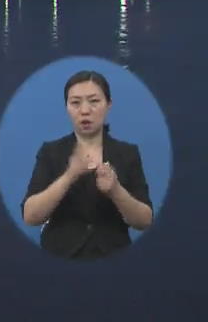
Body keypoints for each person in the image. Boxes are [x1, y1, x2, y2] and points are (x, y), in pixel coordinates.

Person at [22, 70, 154, 259]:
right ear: (66, 107)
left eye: (94, 101)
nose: (85, 110)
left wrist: (115, 190)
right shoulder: (51, 152)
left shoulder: (127, 153)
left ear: (108, 105)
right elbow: (31, 216)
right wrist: (69, 176)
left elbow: (144, 221)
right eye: (75, 102)